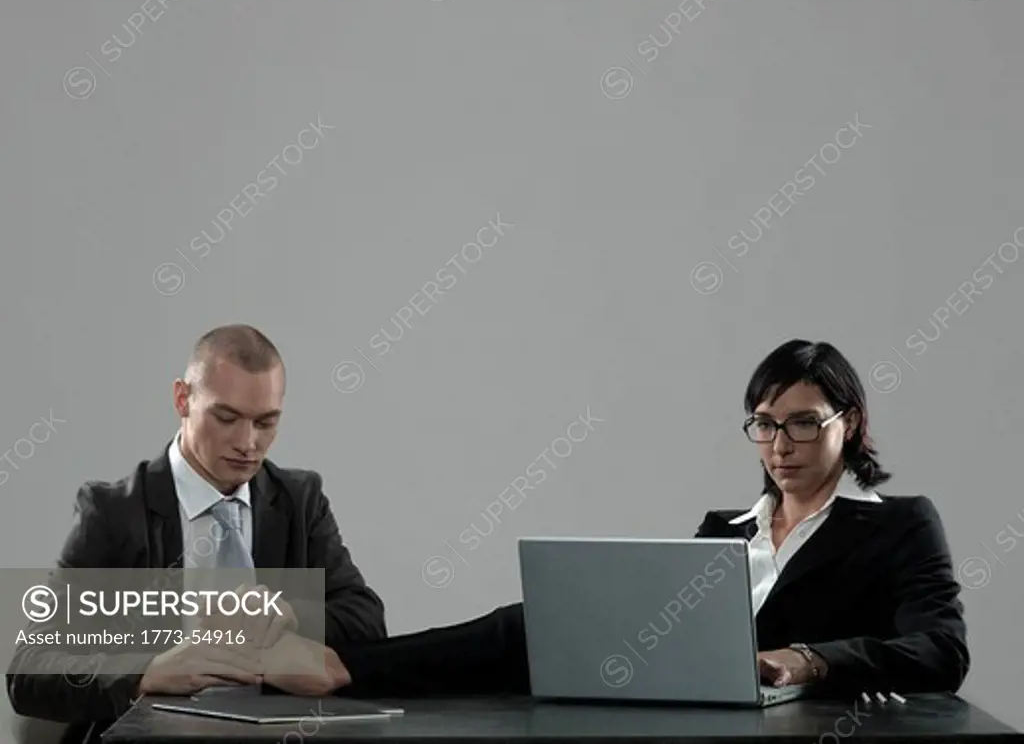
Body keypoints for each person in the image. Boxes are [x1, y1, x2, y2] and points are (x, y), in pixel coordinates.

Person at [327, 338, 970, 699]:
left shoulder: (900, 525)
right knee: (535, 625)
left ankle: (342, 667)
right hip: (674, 696)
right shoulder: (726, 529)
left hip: (777, 717)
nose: (780, 446)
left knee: (535, 634)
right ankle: (347, 668)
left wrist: (808, 659)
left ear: (849, 423)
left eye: (804, 423)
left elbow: (940, 649)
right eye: (766, 425)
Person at [6, 325, 385, 742]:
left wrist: (289, 613)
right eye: (226, 418)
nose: (248, 443)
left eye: (265, 423)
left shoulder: (299, 499)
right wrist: (146, 672)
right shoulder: (113, 513)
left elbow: (367, 620)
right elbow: (30, 669)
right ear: (183, 399)